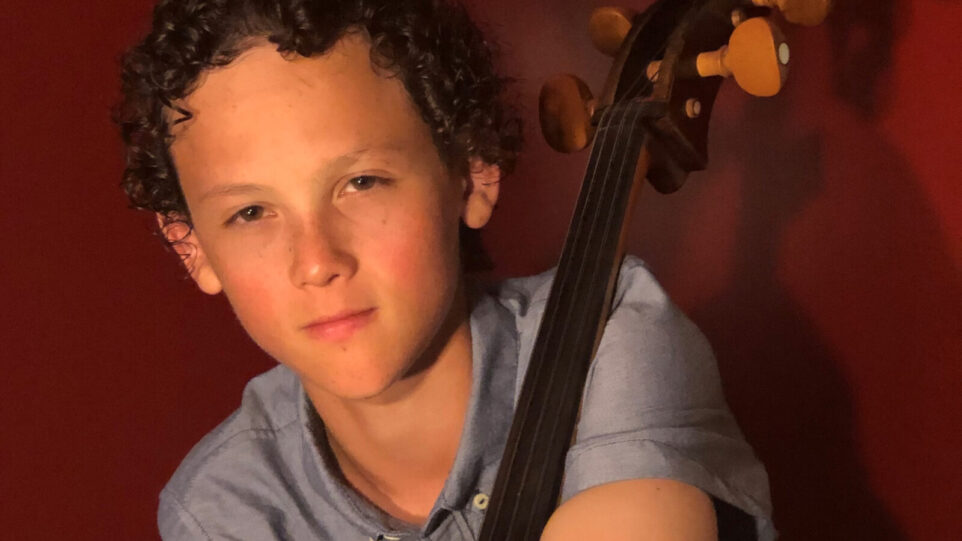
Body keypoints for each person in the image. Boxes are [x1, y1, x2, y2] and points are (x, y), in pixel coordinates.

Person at [114, 0, 774, 539]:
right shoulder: (225, 509)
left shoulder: (609, 338)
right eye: (252, 212)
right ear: (192, 248)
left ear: (473, 173)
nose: (317, 262)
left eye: (362, 182)